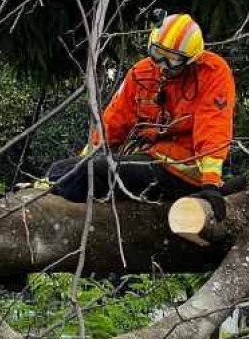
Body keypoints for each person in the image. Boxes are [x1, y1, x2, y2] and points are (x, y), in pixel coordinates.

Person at [49, 13, 234, 208]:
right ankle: (48, 187)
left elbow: (213, 126)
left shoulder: (212, 72)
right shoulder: (141, 73)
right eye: (158, 54)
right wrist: (84, 157)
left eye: (173, 60)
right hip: (151, 157)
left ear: (190, 60)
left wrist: (211, 183)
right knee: (64, 169)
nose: (162, 65)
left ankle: (55, 193)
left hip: (184, 170)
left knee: (92, 171)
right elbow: (113, 121)